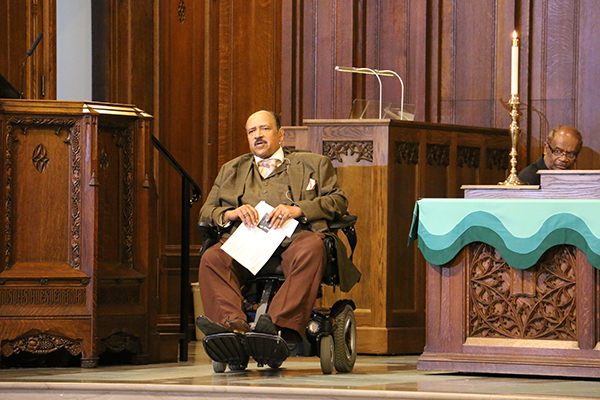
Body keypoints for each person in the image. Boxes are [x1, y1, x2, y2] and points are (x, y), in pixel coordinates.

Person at [196, 110, 360, 344]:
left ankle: (275, 328)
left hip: (295, 241)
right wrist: (231, 213)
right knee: (212, 258)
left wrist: (298, 210)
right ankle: (232, 326)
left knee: (314, 246)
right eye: (252, 131)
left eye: (264, 128)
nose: (258, 135)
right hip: (247, 244)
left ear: (280, 134)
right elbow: (206, 211)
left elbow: (338, 201)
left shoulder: (313, 164)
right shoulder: (231, 169)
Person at [518, 125, 583, 185]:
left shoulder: (577, 180)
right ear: (546, 149)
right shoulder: (528, 178)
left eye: (571, 154)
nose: (563, 159)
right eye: (557, 151)